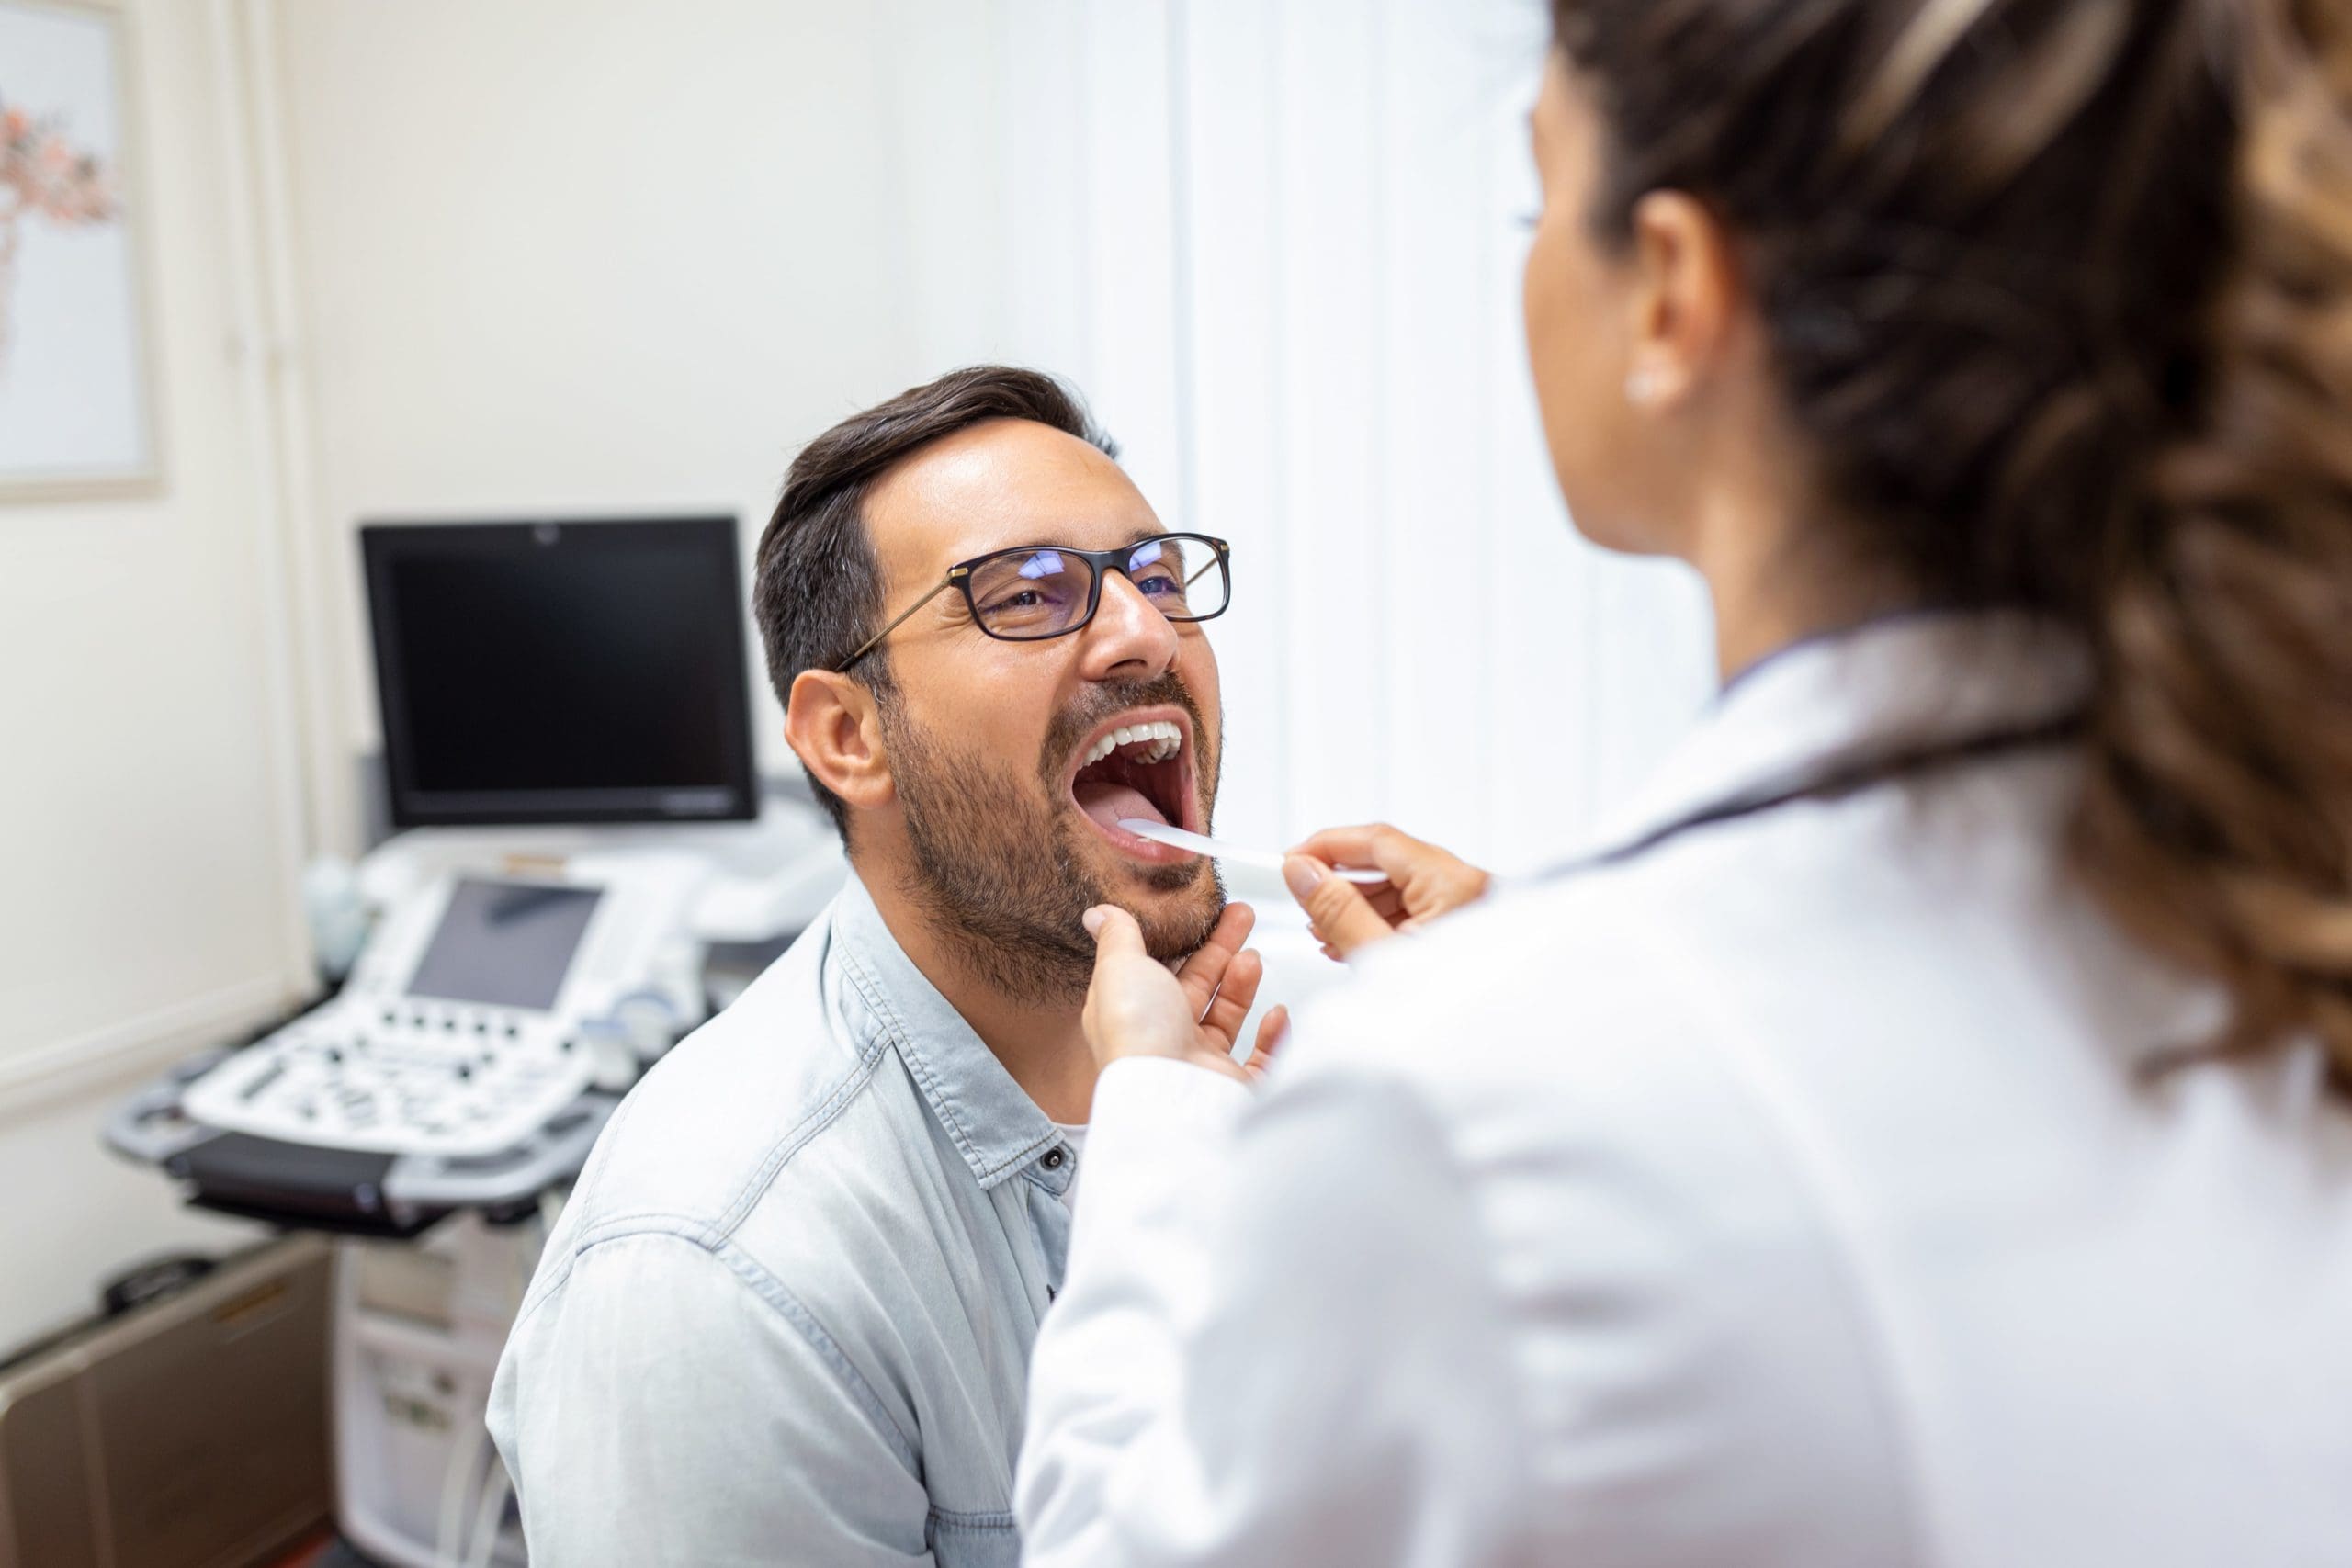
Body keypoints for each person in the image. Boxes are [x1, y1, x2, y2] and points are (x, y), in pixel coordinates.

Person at [1018, 2, 2352, 1563]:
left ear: (1670, 290)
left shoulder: (1479, 1111)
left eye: (1536, 206)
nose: (1133, 628)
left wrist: (1160, 1122)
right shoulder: (2267, 893)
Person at [488, 366, 1274, 1566]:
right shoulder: (714, 1280)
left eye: (1158, 577)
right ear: (848, 735)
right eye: (1027, 595)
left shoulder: (1230, 1082)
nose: (1145, 633)